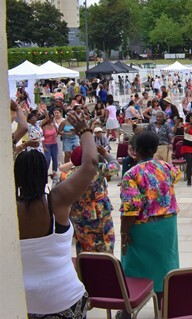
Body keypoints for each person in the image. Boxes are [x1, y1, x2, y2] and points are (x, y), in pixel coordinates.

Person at [17, 111, 96, 319]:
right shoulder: (57, 201)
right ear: (45, 171)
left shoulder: (8, 210)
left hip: (23, 303)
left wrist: (19, 142)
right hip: (65, 299)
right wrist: (85, 131)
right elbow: (90, 166)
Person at [120, 131, 181, 316]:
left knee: (132, 268)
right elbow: (175, 178)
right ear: (155, 149)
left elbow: (131, 208)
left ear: (134, 150)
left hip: (142, 227)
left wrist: (124, 233)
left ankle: (127, 310)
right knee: (164, 266)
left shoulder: (132, 174)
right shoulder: (167, 167)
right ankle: (163, 308)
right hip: (167, 226)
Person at [59, 145, 119, 254]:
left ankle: (85, 267)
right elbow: (116, 167)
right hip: (101, 211)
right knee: (105, 243)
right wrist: (105, 154)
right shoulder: (97, 170)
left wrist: (77, 162)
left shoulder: (68, 175)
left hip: (79, 212)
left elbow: (62, 170)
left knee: (84, 244)